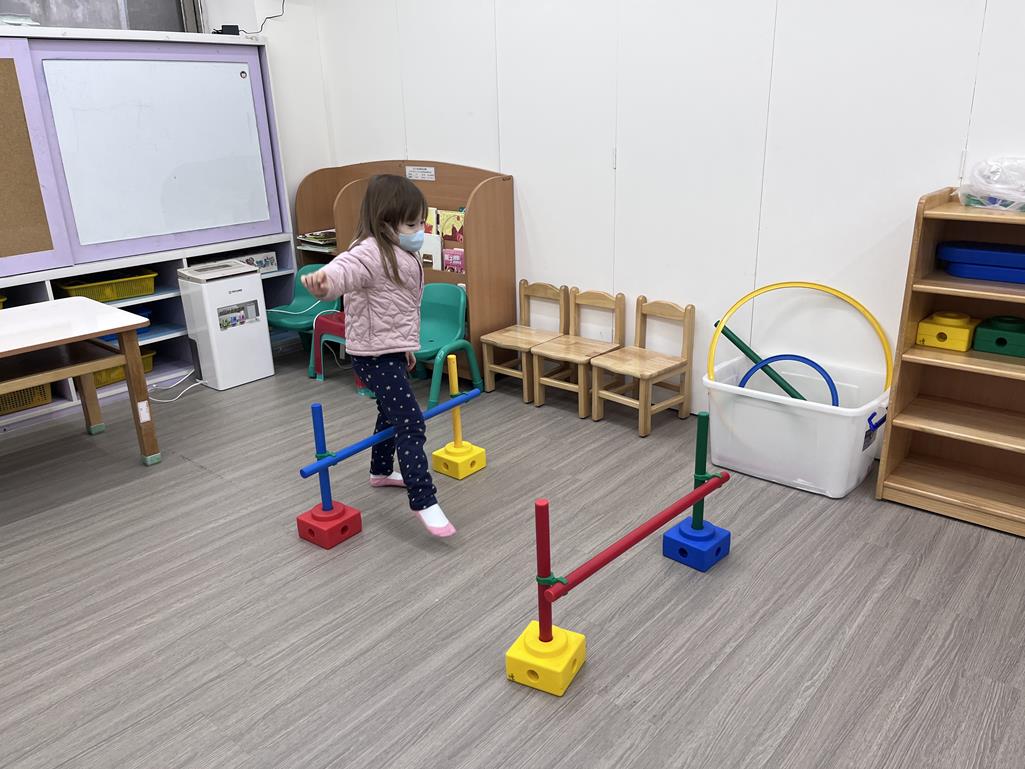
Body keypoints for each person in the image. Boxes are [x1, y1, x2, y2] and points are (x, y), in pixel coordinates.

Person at [302, 174, 454, 537]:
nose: (419, 231)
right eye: (412, 224)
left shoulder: (401, 250)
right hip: (373, 356)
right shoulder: (369, 251)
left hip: (390, 350)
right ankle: (423, 498)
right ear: (385, 222)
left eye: (421, 222)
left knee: (389, 412)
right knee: (411, 423)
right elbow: (344, 269)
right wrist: (324, 282)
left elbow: (398, 310)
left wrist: (405, 350)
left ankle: (381, 471)